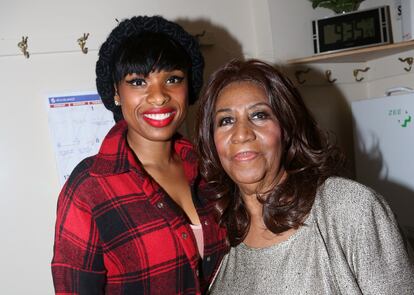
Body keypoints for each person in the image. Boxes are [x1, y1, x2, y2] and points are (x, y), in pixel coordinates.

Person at [195, 59, 414, 294]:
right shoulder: (217, 236)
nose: (242, 134)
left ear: (287, 128)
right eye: (226, 121)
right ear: (212, 141)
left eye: (259, 115)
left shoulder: (350, 209)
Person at [51, 16, 227, 295]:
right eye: (138, 82)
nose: (158, 97)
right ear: (115, 93)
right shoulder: (89, 188)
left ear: (188, 87)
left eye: (172, 79)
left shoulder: (212, 169)